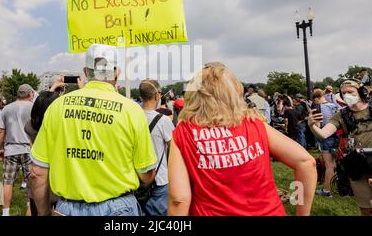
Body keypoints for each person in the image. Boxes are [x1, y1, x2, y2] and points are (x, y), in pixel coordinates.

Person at [168, 62, 316, 216]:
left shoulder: (183, 132)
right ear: (234, 92)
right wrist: (302, 213)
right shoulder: (254, 124)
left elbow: (179, 200)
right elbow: (306, 163)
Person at [30, 44, 157, 216]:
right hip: (118, 207)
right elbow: (147, 174)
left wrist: (44, 212)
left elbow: (37, 172)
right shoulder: (132, 110)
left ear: (86, 72)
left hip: (68, 208)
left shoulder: (57, 107)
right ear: (117, 73)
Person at [308, 79, 372, 216]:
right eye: (344, 93)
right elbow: (323, 134)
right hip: (359, 163)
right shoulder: (341, 115)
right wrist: (312, 125)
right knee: (366, 208)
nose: (347, 95)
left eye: (350, 92)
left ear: (361, 92)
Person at [0, 84, 34, 216]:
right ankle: (30, 208)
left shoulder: (7, 108)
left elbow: (0, 131)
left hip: (11, 148)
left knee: (7, 182)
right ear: (30, 94)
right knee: (31, 182)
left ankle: (5, 213)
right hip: (30, 149)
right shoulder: (33, 107)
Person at [139, 79, 175, 216]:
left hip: (137, 179)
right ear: (157, 96)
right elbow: (174, 150)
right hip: (159, 180)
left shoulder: (133, 117)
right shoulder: (164, 121)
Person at [311, 88, 339, 197]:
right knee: (335, 164)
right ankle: (337, 186)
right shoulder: (334, 106)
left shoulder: (318, 108)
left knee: (329, 166)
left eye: (314, 100)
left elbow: (317, 126)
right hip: (337, 137)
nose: (314, 102)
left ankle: (327, 191)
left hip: (326, 138)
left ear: (317, 98)